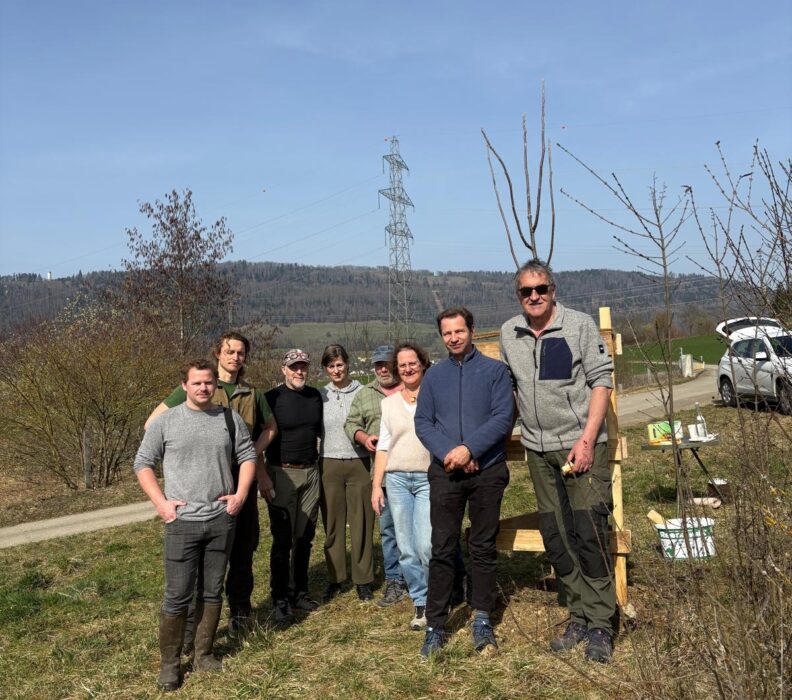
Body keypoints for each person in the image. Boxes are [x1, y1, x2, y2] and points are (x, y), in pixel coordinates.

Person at [499, 258, 616, 663]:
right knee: (557, 534)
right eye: (526, 291)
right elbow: (510, 390)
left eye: (541, 289)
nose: (534, 296)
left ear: (553, 291)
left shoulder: (579, 326)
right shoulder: (509, 333)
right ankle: (578, 615)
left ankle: (601, 623)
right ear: (518, 295)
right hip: (537, 448)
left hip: (580, 446)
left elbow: (601, 381)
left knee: (590, 530)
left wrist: (587, 440)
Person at [134, 359, 257, 692]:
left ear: (215, 384)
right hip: (182, 523)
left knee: (212, 590)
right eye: (197, 383)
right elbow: (143, 463)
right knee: (177, 596)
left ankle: (203, 654)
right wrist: (161, 503)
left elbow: (248, 456)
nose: (204, 388)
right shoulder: (166, 422)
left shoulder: (229, 419)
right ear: (184, 386)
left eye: (208, 382)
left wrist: (240, 495)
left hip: (220, 520)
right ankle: (170, 665)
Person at [145, 331, 276, 638]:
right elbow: (153, 424)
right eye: (229, 351)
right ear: (218, 353)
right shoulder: (200, 384)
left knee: (243, 550)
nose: (235, 357)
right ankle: (192, 627)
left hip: (240, 482)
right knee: (202, 561)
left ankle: (240, 615)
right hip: (205, 484)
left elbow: (270, 428)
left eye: (240, 352)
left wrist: (249, 455)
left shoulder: (251, 393)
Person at [415, 307, 514, 658]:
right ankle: (435, 625)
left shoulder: (495, 372)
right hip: (446, 472)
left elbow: (503, 417)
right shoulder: (433, 376)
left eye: (459, 331)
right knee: (442, 547)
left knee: (483, 546)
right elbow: (423, 422)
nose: (453, 338)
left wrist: (470, 449)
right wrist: (451, 453)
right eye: (447, 333)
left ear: (471, 330)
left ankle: (482, 617)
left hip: (487, 470)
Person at [371, 343, 432, 631]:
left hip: (427, 478)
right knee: (406, 547)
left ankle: (437, 594)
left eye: (412, 363)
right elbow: (383, 446)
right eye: (402, 365)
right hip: (396, 480)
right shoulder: (388, 404)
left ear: (422, 364)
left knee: (427, 545)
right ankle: (421, 601)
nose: (408, 368)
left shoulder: (434, 396)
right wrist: (376, 486)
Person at [344, 345, 407, 607]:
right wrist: (363, 437)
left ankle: (421, 578)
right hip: (383, 473)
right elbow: (351, 423)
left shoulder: (412, 388)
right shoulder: (365, 394)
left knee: (418, 529)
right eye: (378, 365)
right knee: (389, 530)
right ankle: (394, 580)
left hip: (415, 468)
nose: (383, 369)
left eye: (387, 364)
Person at [264, 349, 323, 624]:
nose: (299, 371)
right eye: (294, 367)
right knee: (282, 539)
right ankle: (280, 598)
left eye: (303, 367)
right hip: (282, 473)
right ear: (284, 370)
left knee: (304, 536)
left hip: (310, 472)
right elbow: (258, 439)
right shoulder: (271, 398)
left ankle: (300, 591)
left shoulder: (314, 397)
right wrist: (262, 476)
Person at [319, 344, 375, 602]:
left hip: (359, 463)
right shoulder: (320, 395)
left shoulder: (363, 392)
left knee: (361, 521)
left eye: (339, 364)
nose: (336, 370)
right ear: (325, 369)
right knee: (333, 523)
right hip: (329, 462)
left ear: (348, 364)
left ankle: (363, 579)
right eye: (331, 366)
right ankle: (336, 577)